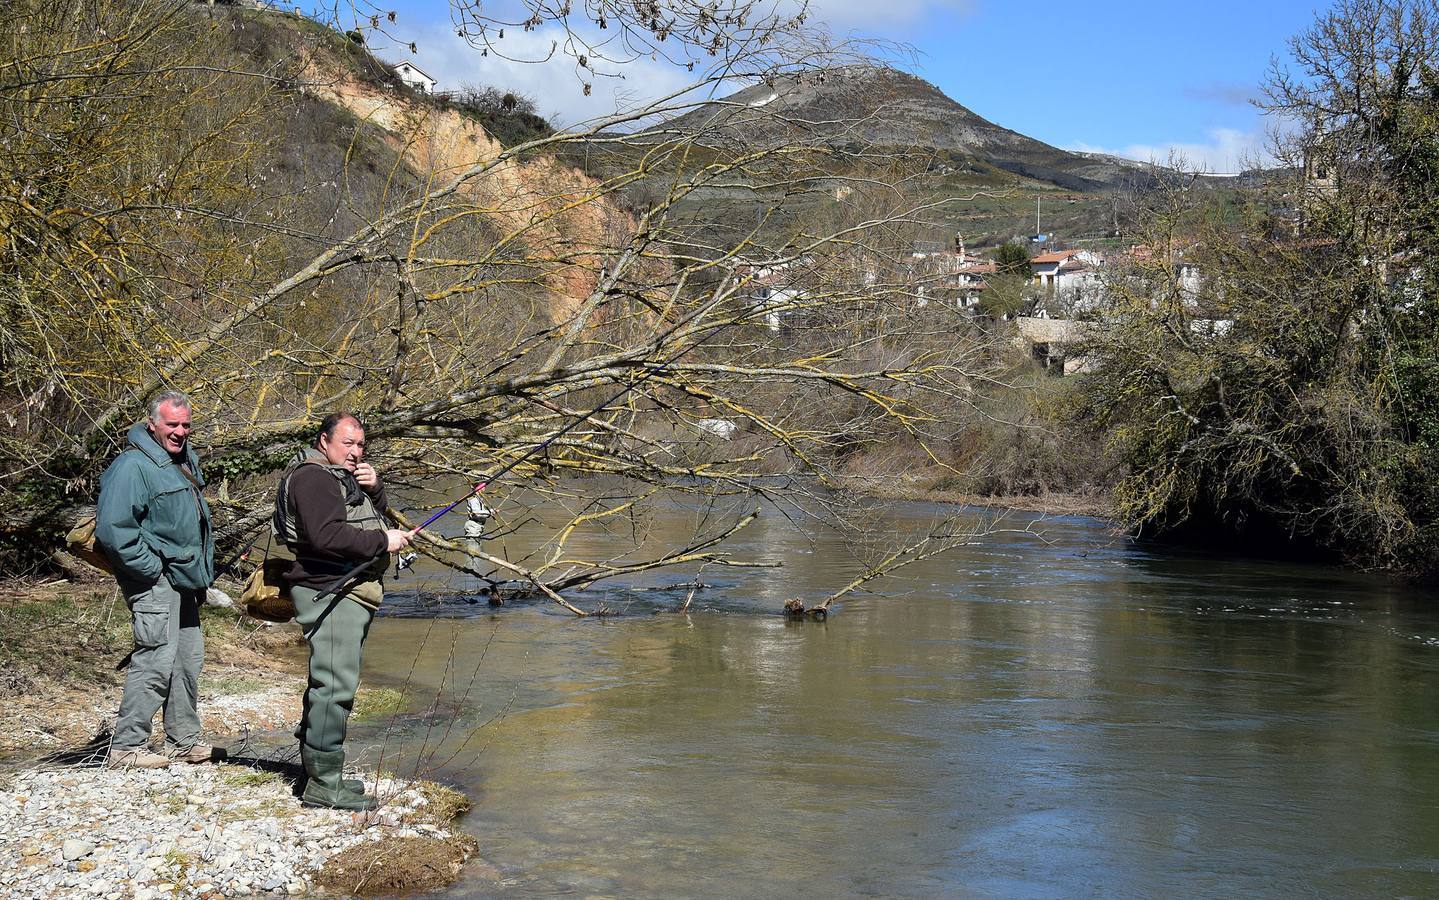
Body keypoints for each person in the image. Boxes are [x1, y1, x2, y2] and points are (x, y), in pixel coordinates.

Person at [273, 412, 411, 810]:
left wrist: (377, 489)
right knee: (334, 687)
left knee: (330, 681)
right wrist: (383, 541)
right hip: (330, 593)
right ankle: (323, 783)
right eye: (347, 443)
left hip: (347, 591)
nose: (355, 452)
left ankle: (320, 772)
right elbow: (326, 536)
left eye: (360, 445)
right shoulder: (313, 477)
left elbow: (363, 517)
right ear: (324, 441)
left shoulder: (338, 475)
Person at [96, 391, 217, 769]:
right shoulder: (132, 466)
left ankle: (184, 741)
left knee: (186, 659)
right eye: (172, 424)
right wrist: (152, 570)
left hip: (185, 581)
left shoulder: (181, 460)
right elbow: (114, 532)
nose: (180, 431)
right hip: (155, 581)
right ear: (152, 424)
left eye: (185, 424)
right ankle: (127, 748)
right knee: (155, 660)